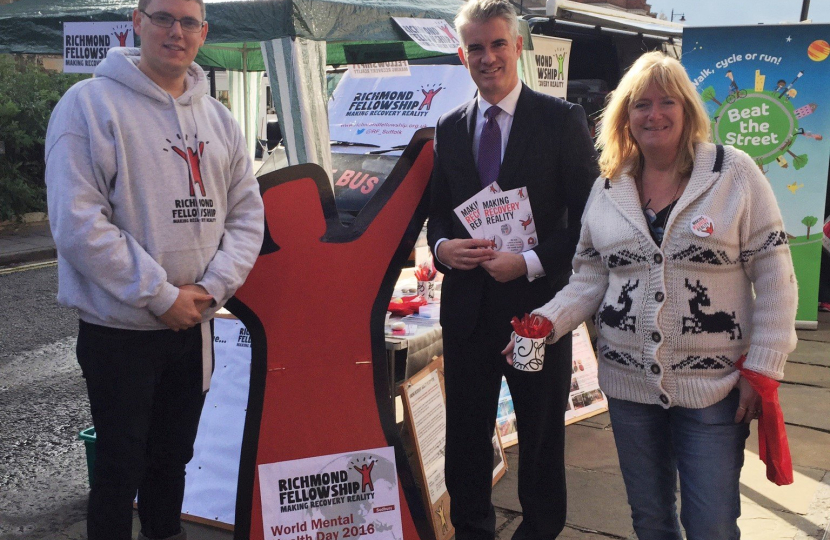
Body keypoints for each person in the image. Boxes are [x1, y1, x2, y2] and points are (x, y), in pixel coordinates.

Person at [504, 51, 798, 540]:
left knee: (712, 523)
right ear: (624, 116)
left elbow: (774, 274)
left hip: (715, 391)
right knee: (650, 520)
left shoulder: (734, 174)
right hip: (628, 388)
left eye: (666, 102)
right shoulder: (608, 186)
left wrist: (763, 369)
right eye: (640, 105)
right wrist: (544, 321)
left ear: (687, 109)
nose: (653, 114)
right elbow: (589, 277)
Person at [44, 0, 264, 538]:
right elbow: (78, 223)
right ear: (136, 23)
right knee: (120, 470)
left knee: (174, 460)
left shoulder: (218, 118)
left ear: (204, 32)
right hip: (119, 332)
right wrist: (161, 295)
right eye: (163, 17)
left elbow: (247, 214)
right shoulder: (89, 106)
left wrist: (209, 291)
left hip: (194, 326)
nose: (176, 31)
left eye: (189, 22)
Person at [427, 1, 598, 538]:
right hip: (467, 314)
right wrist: (441, 250)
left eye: (498, 43)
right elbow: (438, 217)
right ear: (462, 55)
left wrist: (527, 261)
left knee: (541, 436)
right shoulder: (450, 127)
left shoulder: (560, 120)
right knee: (466, 438)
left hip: (537, 313)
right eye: (475, 47)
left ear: (518, 46)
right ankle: (473, 528)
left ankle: (539, 530)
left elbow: (591, 225)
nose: (488, 57)